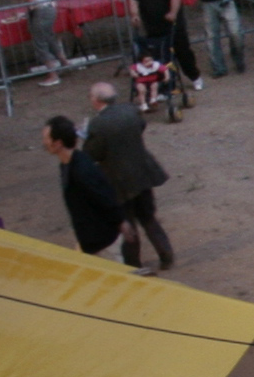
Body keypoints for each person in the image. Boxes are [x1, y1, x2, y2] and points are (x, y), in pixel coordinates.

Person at [83, 81, 181, 272]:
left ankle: (133, 265)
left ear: (96, 100)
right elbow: (141, 127)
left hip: (118, 180)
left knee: (128, 225)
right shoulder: (130, 111)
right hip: (142, 172)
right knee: (148, 217)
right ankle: (166, 254)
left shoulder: (98, 124)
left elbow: (91, 154)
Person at [48, 117, 129, 259]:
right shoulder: (69, 164)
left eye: (46, 139)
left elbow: (105, 196)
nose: (44, 142)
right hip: (93, 240)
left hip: (103, 242)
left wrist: (121, 221)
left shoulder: (81, 169)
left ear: (58, 143)